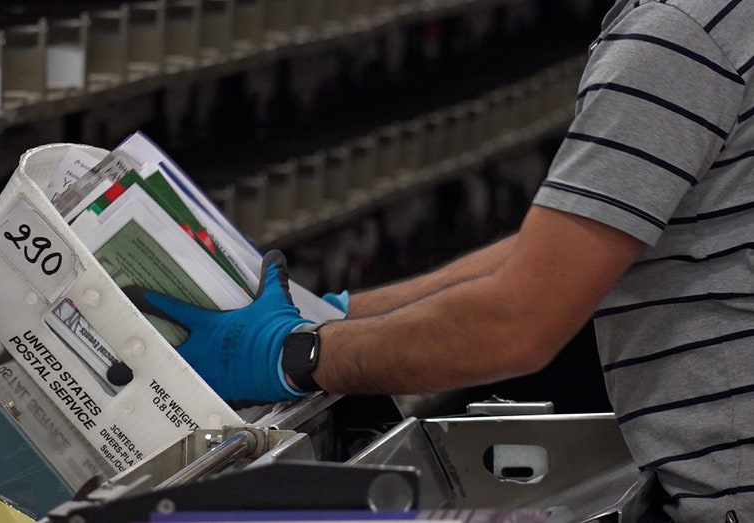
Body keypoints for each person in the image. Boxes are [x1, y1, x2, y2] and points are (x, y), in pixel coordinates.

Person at [143, 1, 754, 520]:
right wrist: (340, 315)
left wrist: (294, 355)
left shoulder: (676, 39)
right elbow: (584, 249)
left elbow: (517, 323)